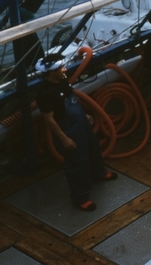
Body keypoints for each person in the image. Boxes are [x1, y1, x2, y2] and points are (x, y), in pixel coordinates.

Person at [35, 53, 117, 211]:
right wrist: (64, 138)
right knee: (77, 162)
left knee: (93, 147)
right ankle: (81, 197)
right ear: (51, 72)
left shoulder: (63, 81)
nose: (65, 69)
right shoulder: (44, 94)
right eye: (61, 68)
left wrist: (83, 115)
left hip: (80, 123)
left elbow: (73, 100)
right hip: (67, 129)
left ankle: (99, 173)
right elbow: (49, 120)